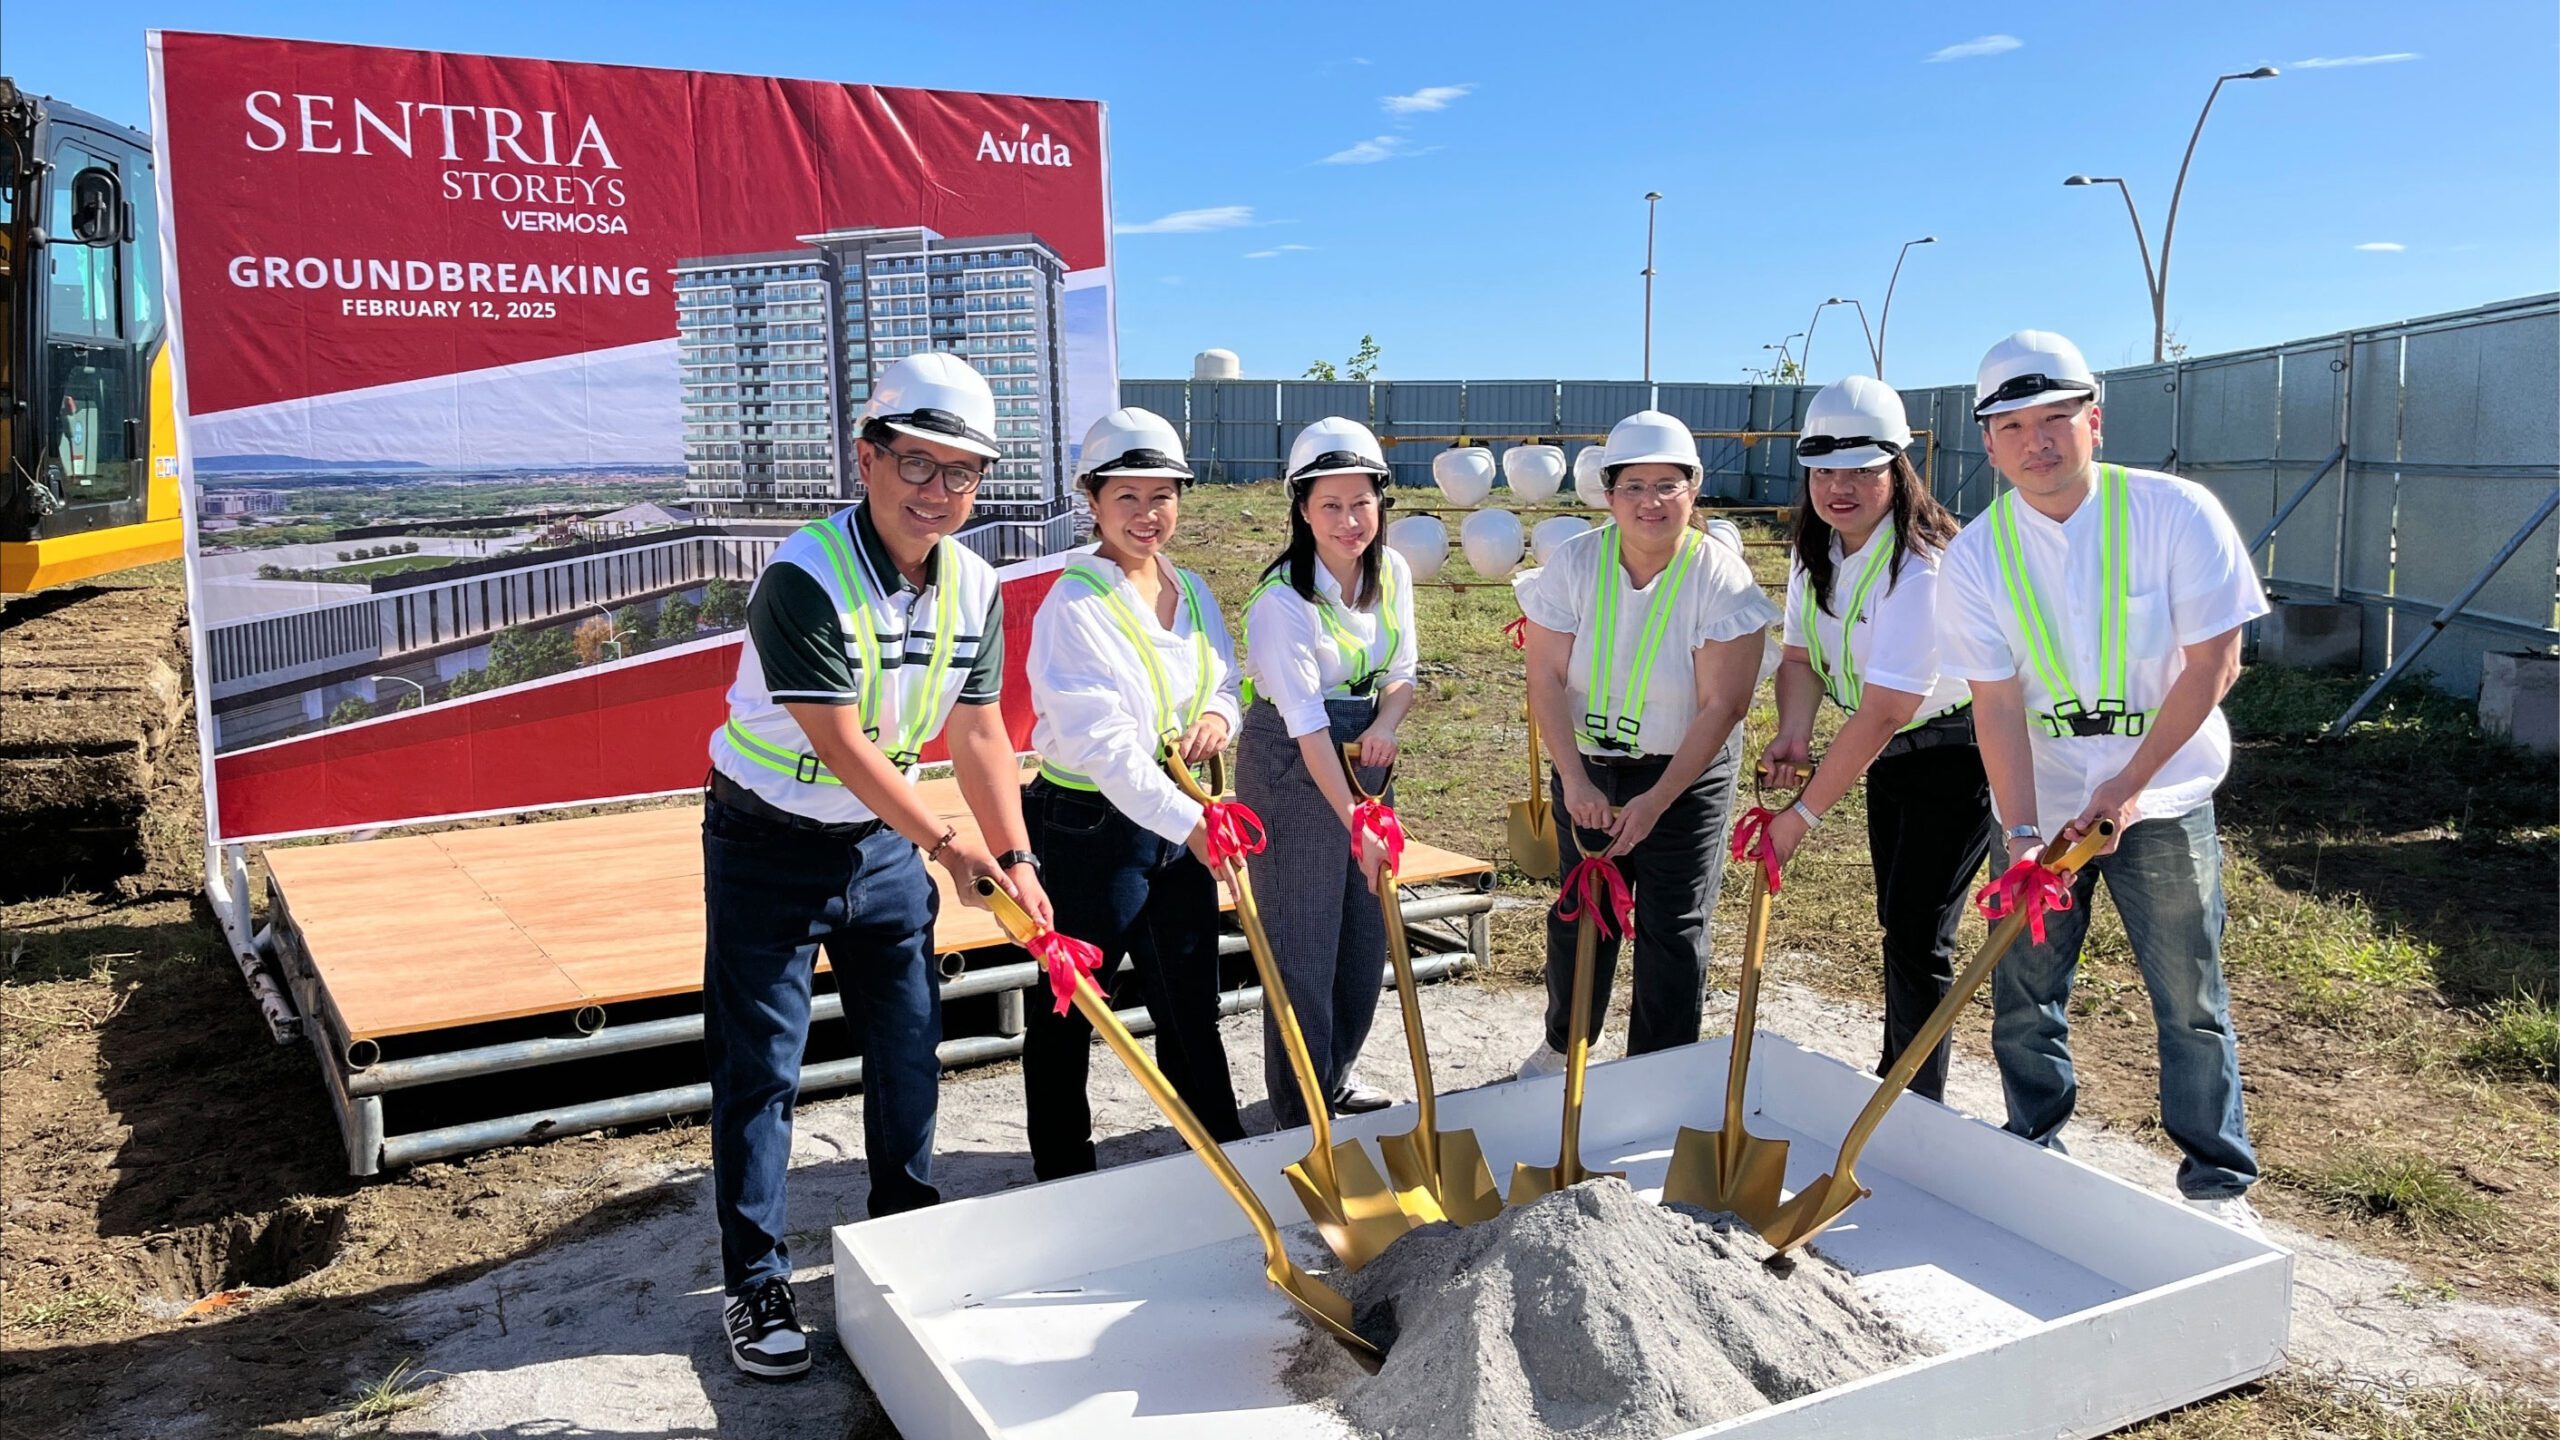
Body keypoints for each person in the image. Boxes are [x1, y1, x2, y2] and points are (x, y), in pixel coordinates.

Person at [699, 351, 1051, 1378]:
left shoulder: (976, 584)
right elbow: (842, 741)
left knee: (907, 1048)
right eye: (917, 465)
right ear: (868, 457)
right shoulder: (802, 576)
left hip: (883, 846)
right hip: (766, 844)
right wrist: (950, 847)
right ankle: (756, 1280)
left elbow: (981, 733)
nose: (938, 493)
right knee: (761, 1070)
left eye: (962, 474)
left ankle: (903, 1229)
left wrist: (1015, 855)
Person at [1936, 329, 2270, 1236]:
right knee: (2024, 985)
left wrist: (2125, 787)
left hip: (2160, 798)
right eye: (2013, 426)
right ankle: (2034, 1144)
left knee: (2190, 996)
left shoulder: (2175, 513)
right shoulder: (1974, 556)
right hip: (2041, 809)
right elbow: (1996, 706)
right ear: (1989, 440)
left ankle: (2217, 1182)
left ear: (2096, 421)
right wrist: (2023, 833)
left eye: (2056, 420)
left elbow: (2215, 664)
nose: (2037, 442)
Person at [1515, 410, 1778, 1077]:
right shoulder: (1575, 562)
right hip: (1588, 766)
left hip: (1683, 775)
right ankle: (1565, 1042)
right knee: (1583, 909)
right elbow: (1544, 678)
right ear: (1610, 494)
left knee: (1674, 927)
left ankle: (1657, 1071)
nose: (1651, 501)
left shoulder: (1719, 577)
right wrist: (1573, 781)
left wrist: (1659, 800)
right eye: (1634, 486)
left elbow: (1725, 705)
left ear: (1694, 489)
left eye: (1668, 485)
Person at [1020, 408, 1247, 1177]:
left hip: (1173, 819)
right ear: (1091, 499)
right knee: (1073, 1005)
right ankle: (1062, 1171)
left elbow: (1224, 674)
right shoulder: (1074, 606)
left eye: (1163, 496)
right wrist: (1193, 825)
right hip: (1090, 826)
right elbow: (1105, 748)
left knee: (1189, 996)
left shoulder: (1193, 589)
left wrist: (1218, 713)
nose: (1148, 515)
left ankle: (1217, 1150)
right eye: (1128, 498)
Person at [1759, 376, 1992, 1102]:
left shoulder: (1923, 566)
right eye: (1825, 470)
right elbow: (1799, 659)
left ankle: (1911, 1099)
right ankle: (1901, 1076)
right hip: (1894, 754)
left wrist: (1801, 818)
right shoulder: (1815, 548)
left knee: (1920, 933)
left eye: (1862, 469)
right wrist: (1794, 735)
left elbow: (1887, 707)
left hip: (1955, 753)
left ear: (1898, 468)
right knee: (1899, 920)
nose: (1840, 487)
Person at [1238, 416, 1417, 1124]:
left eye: (1362, 502)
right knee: (1304, 942)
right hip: (1291, 760)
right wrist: (1357, 822)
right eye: (1330, 506)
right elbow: (1307, 724)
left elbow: (1402, 672)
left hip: (1365, 753)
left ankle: (1335, 1075)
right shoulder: (1282, 602)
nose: (1349, 521)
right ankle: (1301, 1109)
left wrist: (1385, 725)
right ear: (1302, 510)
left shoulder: (1393, 571)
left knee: (1364, 933)